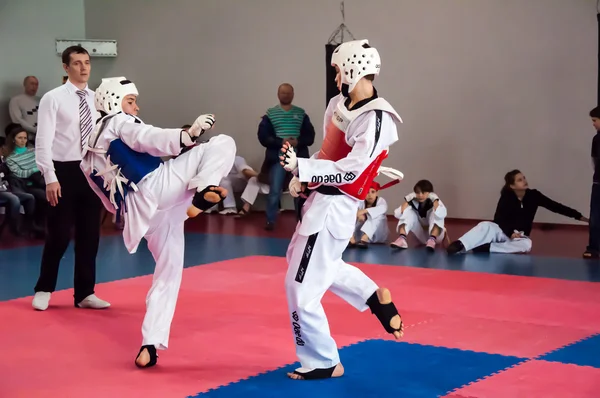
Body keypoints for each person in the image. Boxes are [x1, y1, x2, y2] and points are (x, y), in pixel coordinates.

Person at [80, 76, 236, 368]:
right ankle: (203, 190)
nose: (136, 108)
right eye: (131, 101)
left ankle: (149, 345)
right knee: (223, 143)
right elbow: (148, 139)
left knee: (168, 274)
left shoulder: (86, 156)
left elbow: (106, 199)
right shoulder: (118, 122)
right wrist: (187, 134)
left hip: (143, 215)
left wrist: (130, 214)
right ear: (113, 101)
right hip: (158, 186)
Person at [279, 39, 405, 380]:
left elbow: (353, 169)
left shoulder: (378, 119)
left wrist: (305, 170)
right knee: (311, 265)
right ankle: (372, 297)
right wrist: (300, 175)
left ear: (354, 67)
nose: (335, 78)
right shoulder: (338, 103)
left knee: (299, 287)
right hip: (320, 199)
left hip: (336, 207)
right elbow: (328, 154)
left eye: (337, 71)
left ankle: (323, 361)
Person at [32, 46, 108, 311]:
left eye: (86, 62)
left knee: (90, 235)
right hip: (63, 171)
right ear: (66, 68)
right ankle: (44, 288)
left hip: (91, 171)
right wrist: (50, 176)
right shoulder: (53, 98)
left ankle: (85, 293)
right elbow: (43, 141)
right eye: (77, 63)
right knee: (59, 235)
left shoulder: (98, 98)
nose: (83, 68)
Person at [446, 170, 588, 255]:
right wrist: (509, 232)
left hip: (519, 235)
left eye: (524, 178)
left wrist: (580, 217)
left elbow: (556, 206)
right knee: (485, 225)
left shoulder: (534, 195)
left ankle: (487, 247)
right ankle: (460, 244)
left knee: (527, 245)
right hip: (503, 230)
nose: (524, 181)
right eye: (520, 180)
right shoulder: (506, 197)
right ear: (512, 185)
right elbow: (499, 218)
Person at [391, 179, 447, 251]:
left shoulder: (435, 201)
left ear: (430, 193)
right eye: (417, 192)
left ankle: (432, 240)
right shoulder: (412, 201)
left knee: (435, 212)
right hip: (421, 235)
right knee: (408, 212)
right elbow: (398, 214)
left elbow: (441, 214)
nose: (420, 195)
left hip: (437, 237)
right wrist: (407, 200)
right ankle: (402, 239)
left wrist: (435, 200)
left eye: (423, 192)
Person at [348, 181, 390, 248]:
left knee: (379, 215)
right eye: (367, 192)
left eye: (373, 192)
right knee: (351, 214)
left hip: (378, 234)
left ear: (377, 192)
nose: (370, 195)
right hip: (360, 235)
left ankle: (365, 238)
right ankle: (351, 238)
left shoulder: (380, 201)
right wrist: (358, 214)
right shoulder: (361, 202)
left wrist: (364, 211)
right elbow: (354, 210)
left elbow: (383, 208)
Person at [584, 107, 600, 259]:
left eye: (595, 121)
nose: (593, 124)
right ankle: (594, 247)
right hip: (598, 182)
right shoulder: (597, 139)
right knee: (595, 216)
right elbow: (594, 160)